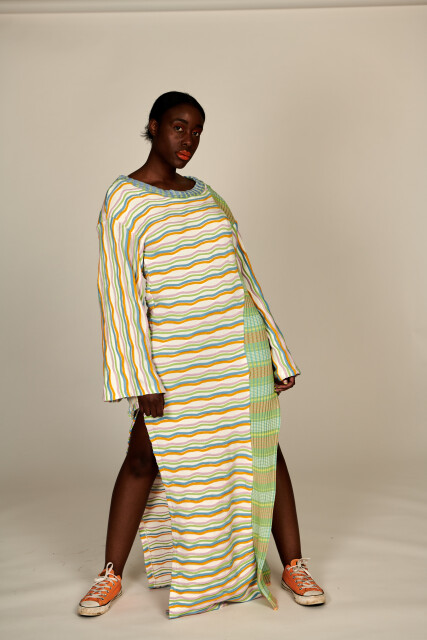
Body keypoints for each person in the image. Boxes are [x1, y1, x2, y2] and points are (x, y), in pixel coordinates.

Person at [77, 91, 325, 619]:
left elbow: (244, 276)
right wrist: (139, 377)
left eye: (196, 131)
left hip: (238, 349)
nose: (188, 139)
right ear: (154, 126)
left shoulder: (209, 196)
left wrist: (277, 353)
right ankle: (109, 575)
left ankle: (294, 565)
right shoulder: (123, 200)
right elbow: (119, 294)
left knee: (265, 452)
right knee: (143, 458)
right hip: (175, 358)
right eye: (178, 126)